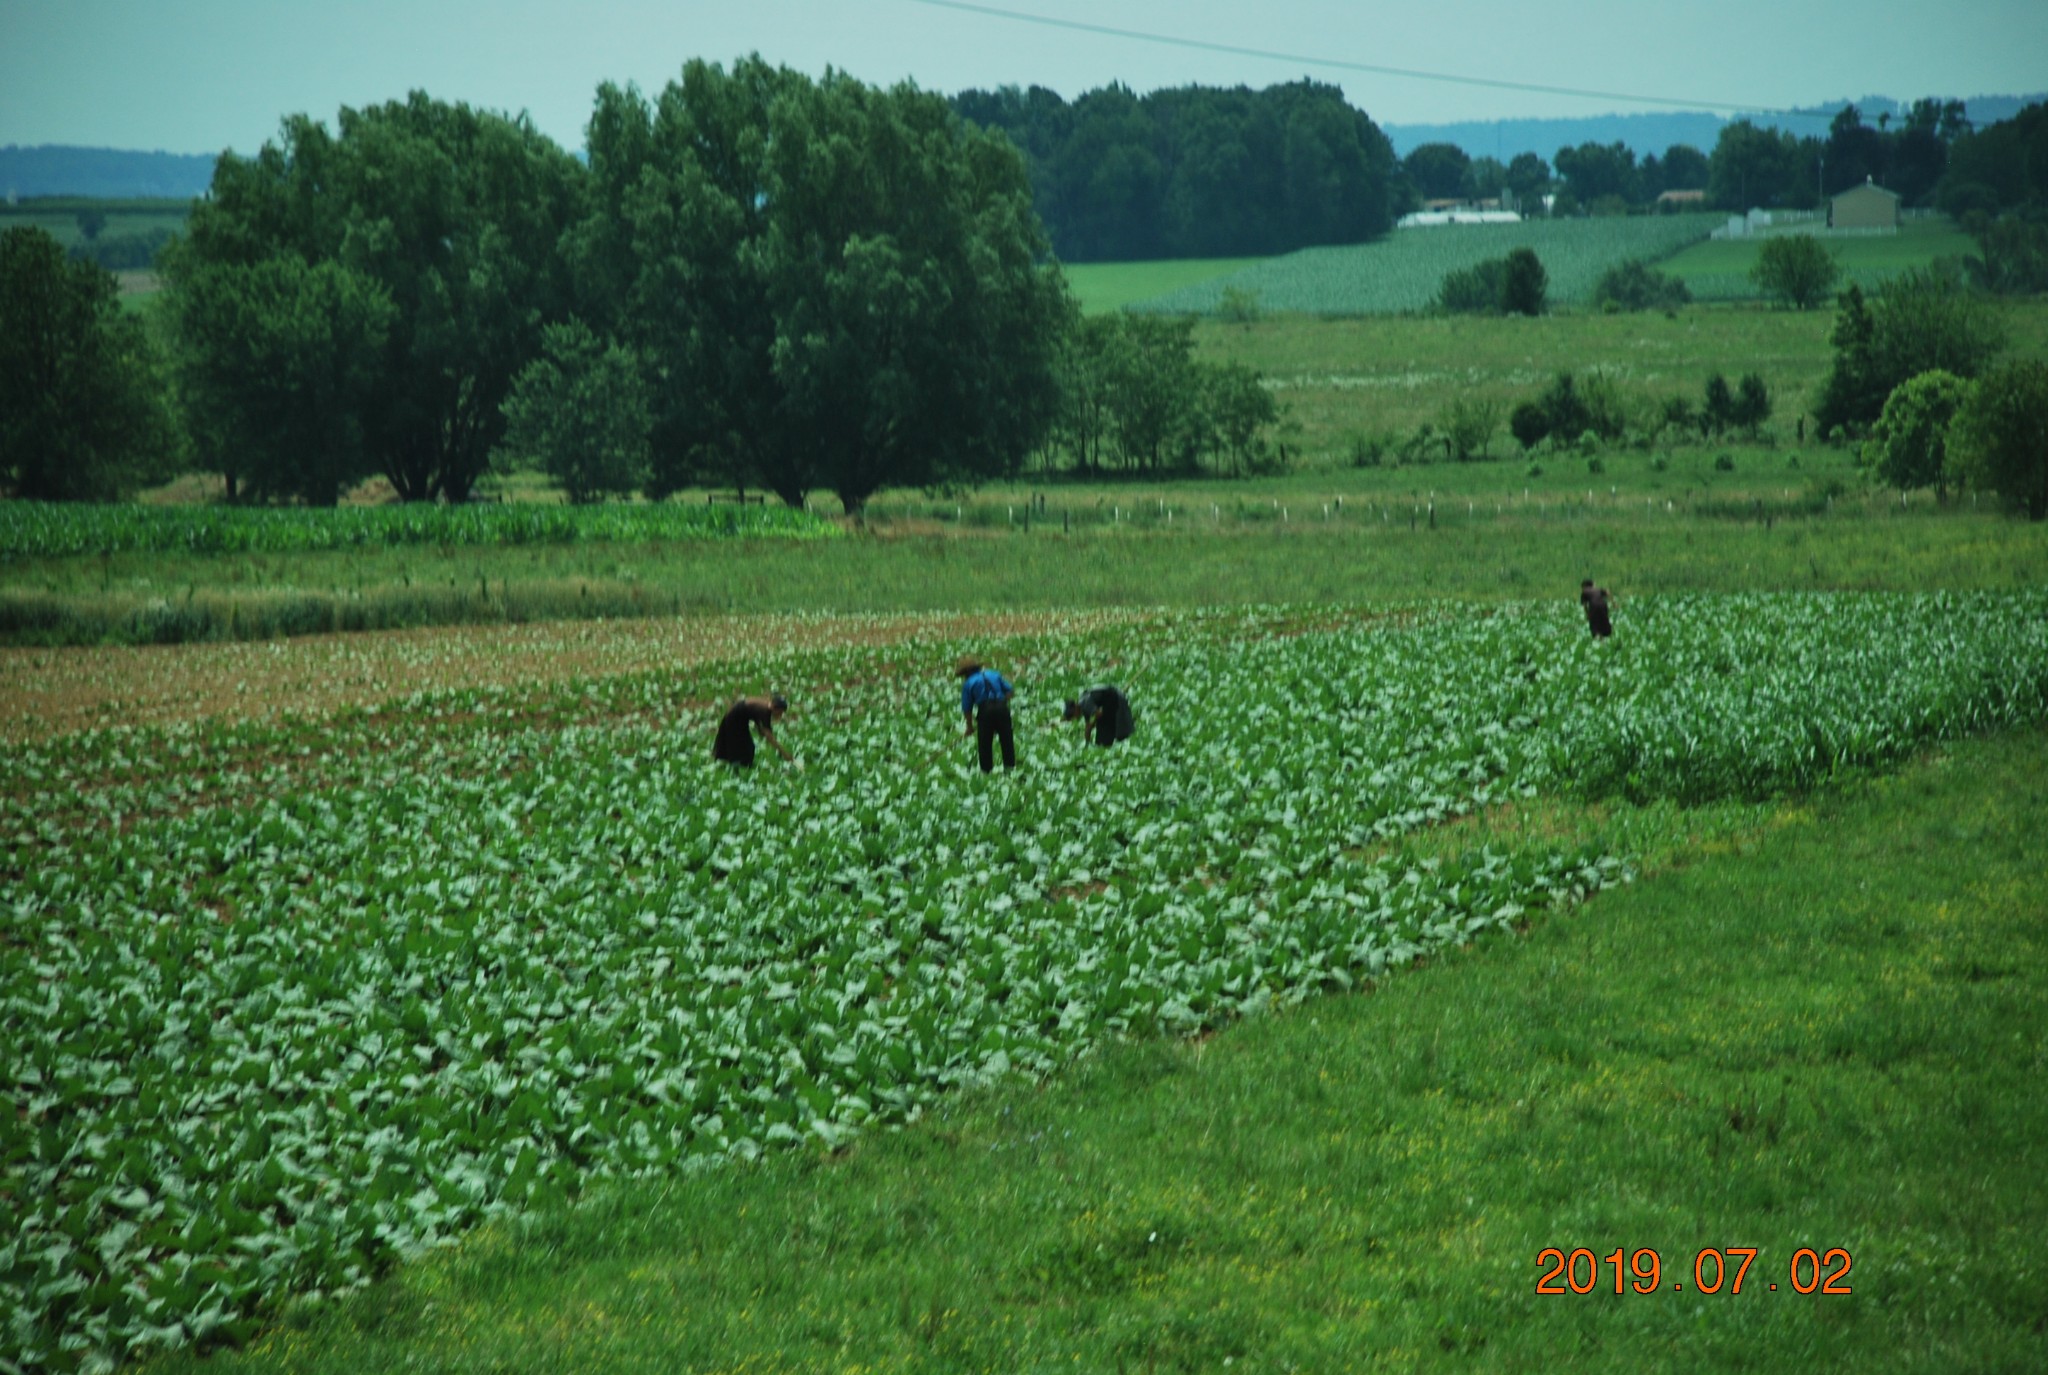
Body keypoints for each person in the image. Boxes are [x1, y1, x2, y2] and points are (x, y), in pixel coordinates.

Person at [956, 655, 1016, 772]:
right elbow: (1010, 691)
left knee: (985, 744)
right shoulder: (994, 674)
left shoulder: (968, 683)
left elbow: (967, 708)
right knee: (1007, 740)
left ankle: (987, 772)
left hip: (985, 711)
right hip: (1002, 709)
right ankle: (1010, 770)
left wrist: (969, 727)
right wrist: (1002, 701)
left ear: (967, 673)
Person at [712, 693, 799, 768]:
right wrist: (784, 754)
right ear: (775, 708)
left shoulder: (767, 706)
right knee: (742, 745)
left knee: (747, 746)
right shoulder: (765, 711)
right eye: (780, 712)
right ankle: (738, 765)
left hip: (740, 719)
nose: (780, 715)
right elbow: (769, 736)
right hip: (734, 719)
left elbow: (759, 724)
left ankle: (739, 765)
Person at [1063, 683, 1134, 748]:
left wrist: (1092, 724)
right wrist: (1087, 743)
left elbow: (1098, 713)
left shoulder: (1085, 703)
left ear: (1075, 707)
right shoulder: (1082, 708)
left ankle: (1107, 744)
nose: (1075, 717)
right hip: (1108, 702)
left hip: (1114, 698)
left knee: (1104, 729)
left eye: (1073, 715)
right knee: (1102, 731)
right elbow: (1088, 726)